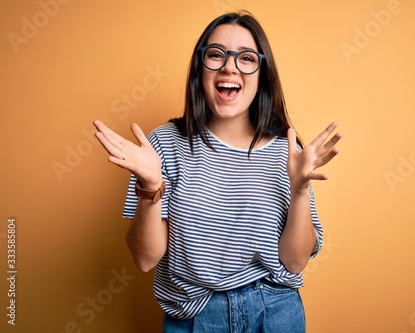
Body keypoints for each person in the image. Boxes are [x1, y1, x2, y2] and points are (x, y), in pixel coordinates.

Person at [93, 10, 342, 333]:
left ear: (262, 75)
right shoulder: (163, 145)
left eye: (246, 58)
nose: (229, 66)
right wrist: (151, 184)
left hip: (275, 312)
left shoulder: (287, 151)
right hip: (196, 316)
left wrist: (299, 191)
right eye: (216, 55)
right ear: (201, 69)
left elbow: (295, 262)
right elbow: (144, 259)